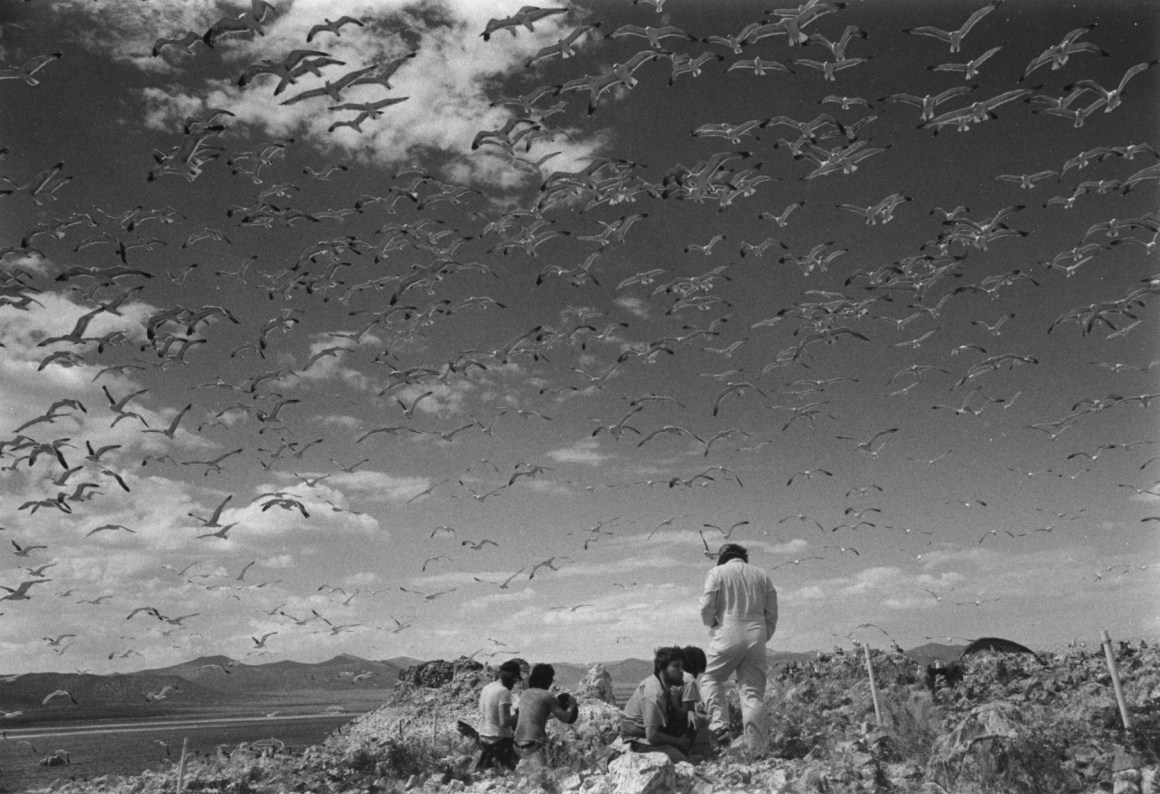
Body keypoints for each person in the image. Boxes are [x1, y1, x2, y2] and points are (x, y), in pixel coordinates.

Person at [698, 542, 778, 757]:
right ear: (744, 558)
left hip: (727, 629)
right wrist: (763, 635)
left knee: (710, 678)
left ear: (722, 558)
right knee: (753, 693)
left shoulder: (717, 572)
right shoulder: (762, 575)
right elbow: (772, 611)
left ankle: (720, 727)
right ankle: (758, 750)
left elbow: (706, 607)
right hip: (757, 632)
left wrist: (711, 623)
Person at [619, 646, 711, 764]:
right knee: (683, 763)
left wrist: (691, 714)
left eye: (682, 666)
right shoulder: (654, 694)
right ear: (662, 669)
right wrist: (678, 742)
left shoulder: (666, 687)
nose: (682, 671)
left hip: (651, 731)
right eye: (676, 666)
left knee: (695, 727)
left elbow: (675, 712)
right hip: (638, 740)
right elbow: (652, 735)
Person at [513, 663, 578, 761]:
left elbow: (538, 715)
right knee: (563, 752)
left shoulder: (525, 694)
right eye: (551, 679)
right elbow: (565, 718)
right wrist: (572, 705)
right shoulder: (548, 696)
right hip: (533, 747)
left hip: (517, 746)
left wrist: (555, 714)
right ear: (547, 680)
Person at [475, 659, 523, 771]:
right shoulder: (503, 691)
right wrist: (520, 715)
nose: (515, 683)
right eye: (515, 680)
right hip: (498, 739)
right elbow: (504, 721)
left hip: (483, 737)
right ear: (511, 678)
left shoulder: (486, 688)